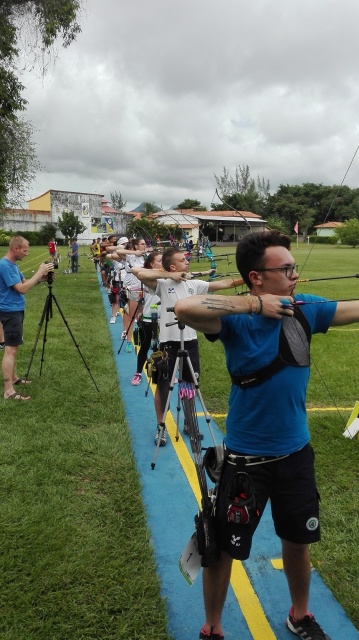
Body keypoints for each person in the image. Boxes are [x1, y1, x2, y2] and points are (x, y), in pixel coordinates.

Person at [173, 229, 359, 640]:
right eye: (286, 268)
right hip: (244, 459)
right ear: (256, 277)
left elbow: (355, 309)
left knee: (297, 539)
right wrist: (255, 304)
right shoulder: (236, 318)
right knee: (221, 548)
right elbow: (184, 306)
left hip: (296, 453)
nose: (295, 275)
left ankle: (301, 615)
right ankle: (213, 626)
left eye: (294, 267)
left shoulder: (304, 308)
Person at [136, 247, 244, 447]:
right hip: (168, 343)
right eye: (182, 260)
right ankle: (161, 427)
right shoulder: (162, 283)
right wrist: (169, 274)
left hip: (190, 342)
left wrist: (247, 279)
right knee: (163, 387)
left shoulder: (194, 284)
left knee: (189, 384)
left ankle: (189, 423)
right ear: (172, 266)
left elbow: (223, 283)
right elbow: (139, 273)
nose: (187, 262)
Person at [0, 236, 54, 400]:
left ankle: (14, 378)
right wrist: (39, 272)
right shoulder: (5, 266)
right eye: (25, 250)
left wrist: (42, 278)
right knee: (11, 350)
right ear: (15, 249)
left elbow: (25, 282)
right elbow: (22, 289)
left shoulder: (12, 265)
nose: (27, 254)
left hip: (14, 309)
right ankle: (8, 391)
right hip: (10, 311)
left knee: (13, 347)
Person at [109, 238, 148, 352]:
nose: (144, 246)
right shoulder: (130, 256)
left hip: (146, 289)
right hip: (133, 289)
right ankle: (129, 342)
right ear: (136, 246)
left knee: (145, 316)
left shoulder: (146, 256)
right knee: (131, 315)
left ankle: (148, 338)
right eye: (142, 244)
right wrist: (134, 252)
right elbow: (118, 252)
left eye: (145, 244)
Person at [130, 251, 162, 385]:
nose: (163, 262)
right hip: (148, 318)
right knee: (145, 345)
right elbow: (136, 271)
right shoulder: (146, 276)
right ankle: (138, 372)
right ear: (151, 264)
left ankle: (160, 372)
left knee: (161, 348)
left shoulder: (168, 276)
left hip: (164, 319)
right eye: (160, 260)